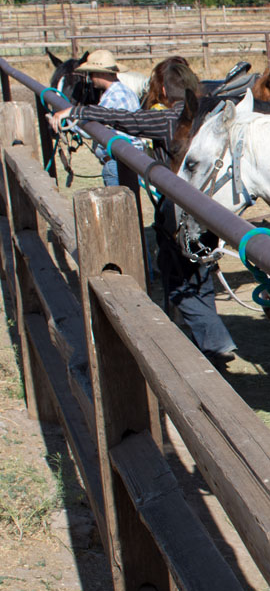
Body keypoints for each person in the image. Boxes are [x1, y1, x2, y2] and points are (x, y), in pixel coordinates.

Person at [48, 57, 238, 368]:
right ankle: (208, 343)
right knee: (199, 274)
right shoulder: (207, 117)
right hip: (207, 207)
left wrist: (78, 111)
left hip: (177, 212)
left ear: (162, 88)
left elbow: (124, 121)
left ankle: (215, 343)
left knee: (175, 277)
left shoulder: (168, 120)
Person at [68, 50, 142, 187]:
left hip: (117, 162)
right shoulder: (124, 92)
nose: (90, 78)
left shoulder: (114, 96)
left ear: (101, 73)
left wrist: (69, 119)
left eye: (92, 74)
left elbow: (91, 128)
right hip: (126, 159)